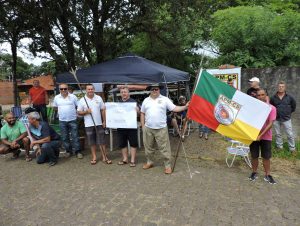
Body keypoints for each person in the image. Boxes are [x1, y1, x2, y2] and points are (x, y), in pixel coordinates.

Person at [140, 83, 189, 174]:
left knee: (164, 148)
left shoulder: (165, 99)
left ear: (159, 90)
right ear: (150, 90)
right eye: (153, 89)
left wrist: (185, 107)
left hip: (161, 128)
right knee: (148, 147)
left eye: (156, 89)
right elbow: (142, 113)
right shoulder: (146, 100)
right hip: (148, 128)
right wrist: (143, 126)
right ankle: (149, 162)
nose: (155, 91)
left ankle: (167, 166)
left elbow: (175, 108)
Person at [77, 84, 112, 165]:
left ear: (94, 89)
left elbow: (103, 109)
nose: (90, 91)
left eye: (92, 89)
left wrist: (104, 121)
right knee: (91, 142)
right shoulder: (82, 100)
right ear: (86, 90)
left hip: (99, 123)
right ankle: (94, 157)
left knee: (102, 141)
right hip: (88, 124)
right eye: (88, 89)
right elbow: (78, 112)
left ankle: (104, 156)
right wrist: (86, 112)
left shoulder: (98, 98)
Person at [248, 88, 277, 184]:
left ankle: (268, 175)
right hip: (253, 136)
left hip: (266, 137)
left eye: (262, 95)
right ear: (256, 96)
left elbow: (270, 124)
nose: (260, 97)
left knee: (266, 157)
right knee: (254, 156)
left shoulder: (272, 108)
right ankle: (254, 172)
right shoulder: (253, 108)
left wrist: (261, 135)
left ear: (266, 95)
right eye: (258, 95)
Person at [53, 83, 83, 159]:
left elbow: (78, 106)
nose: (63, 90)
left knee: (75, 136)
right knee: (64, 137)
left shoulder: (73, 97)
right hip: (62, 120)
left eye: (65, 89)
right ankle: (68, 151)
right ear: (59, 89)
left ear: (67, 89)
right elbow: (55, 107)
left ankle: (78, 151)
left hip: (72, 119)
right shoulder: (56, 97)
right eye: (61, 89)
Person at [270, 81, 296, 152]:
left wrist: (288, 113)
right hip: (276, 119)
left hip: (286, 119)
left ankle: (292, 149)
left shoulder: (290, 97)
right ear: (277, 87)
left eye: (282, 86)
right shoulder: (273, 98)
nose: (281, 88)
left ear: (285, 88)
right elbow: (271, 107)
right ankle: (279, 147)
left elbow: (293, 106)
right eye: (279, 86)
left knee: (290, 134)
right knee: (278, 134)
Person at [117, 86, 139, 167]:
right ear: (120, 94)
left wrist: (137, 110)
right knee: (122, 143)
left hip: (131, 126)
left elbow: (139, 113)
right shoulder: (118, 103)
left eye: (125, 92)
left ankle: (132, 160)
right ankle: (125, 159)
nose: (124, 93)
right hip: (121, 126)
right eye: (122, 92)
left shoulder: (133, 102)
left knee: (133, 143)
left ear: (128, 93)